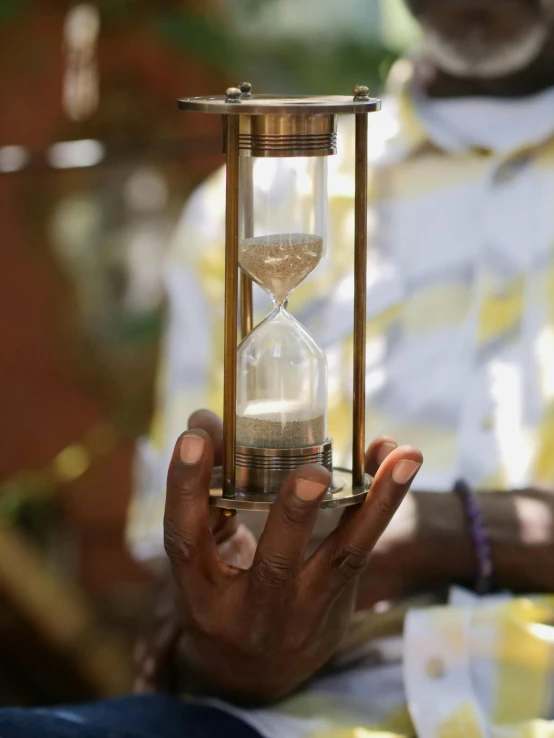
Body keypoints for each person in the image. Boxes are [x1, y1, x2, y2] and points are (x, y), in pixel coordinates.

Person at [2, 0, 554, 736]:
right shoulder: (238, 211)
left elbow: (410, 537)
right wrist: (234, 636)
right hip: (301, 715)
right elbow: (188, 588)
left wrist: (431, 536)